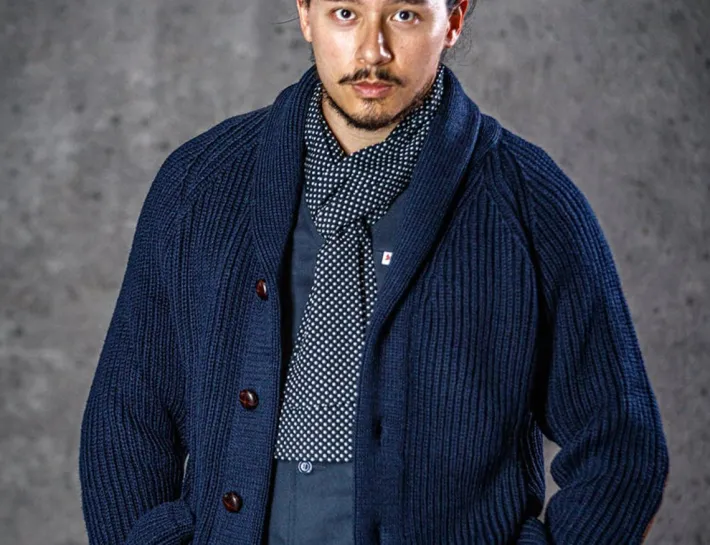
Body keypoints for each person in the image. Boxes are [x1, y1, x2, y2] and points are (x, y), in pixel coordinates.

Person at [78, 0, 669, 543]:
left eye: (405, 14)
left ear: (454, 19)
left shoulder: (529, 203)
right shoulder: (200, 185)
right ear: (305, 14)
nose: (372, 50)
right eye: (345, 12)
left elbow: (621, 444)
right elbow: (125, 420)